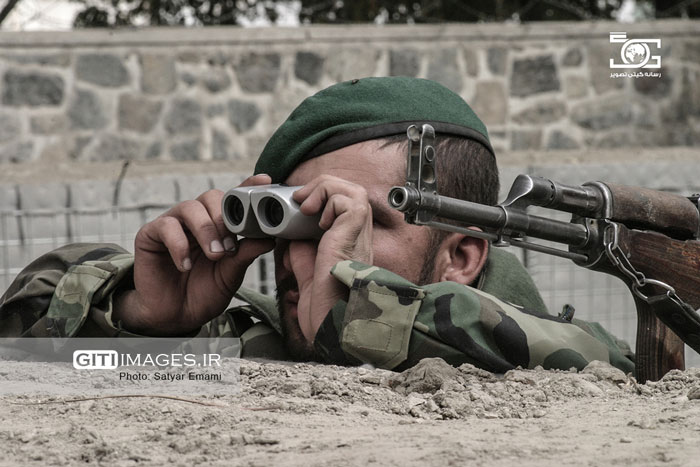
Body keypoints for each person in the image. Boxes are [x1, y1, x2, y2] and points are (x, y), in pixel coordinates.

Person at [0, 77, 634, 374]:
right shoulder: (246, 345)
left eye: (363, 222)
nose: (311, 254)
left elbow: (609, 364)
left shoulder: (533, 351)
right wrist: (140, 317)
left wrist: (361, 315)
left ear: (461, 258)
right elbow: (23, 361)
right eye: (299, 222)